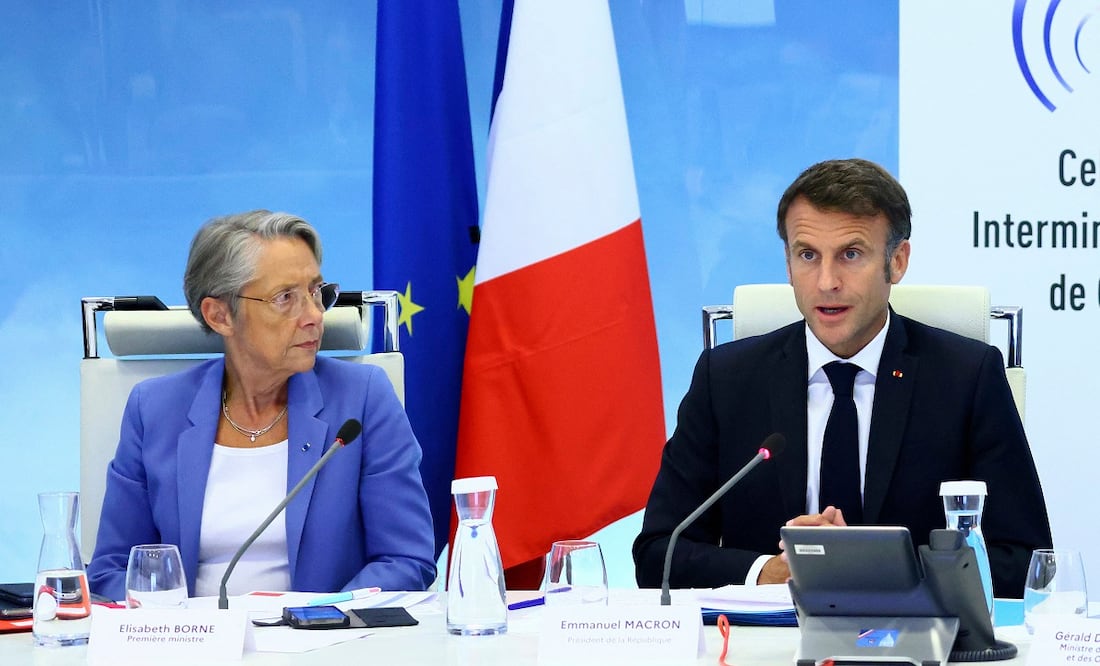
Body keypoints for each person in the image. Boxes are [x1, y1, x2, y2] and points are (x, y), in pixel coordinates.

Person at [633, 158, 1051, 597]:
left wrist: (878, 567)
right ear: (788, 263)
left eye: (851, 254)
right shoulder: (727, 380)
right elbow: (658, 552)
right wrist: (769, 571)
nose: (826, 281)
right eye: (807, 255)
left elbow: (1026, 559)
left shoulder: (967, 377)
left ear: (897, 262)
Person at [87, 210, 436, 601]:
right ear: (219, 315)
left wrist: (320, 614)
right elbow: (113, 569)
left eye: (317, 292)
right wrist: (180, 626)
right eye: (286, 298)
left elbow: (406, 559)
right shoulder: (153, 410)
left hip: (326, 647)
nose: (314, 316)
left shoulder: (362, 399)